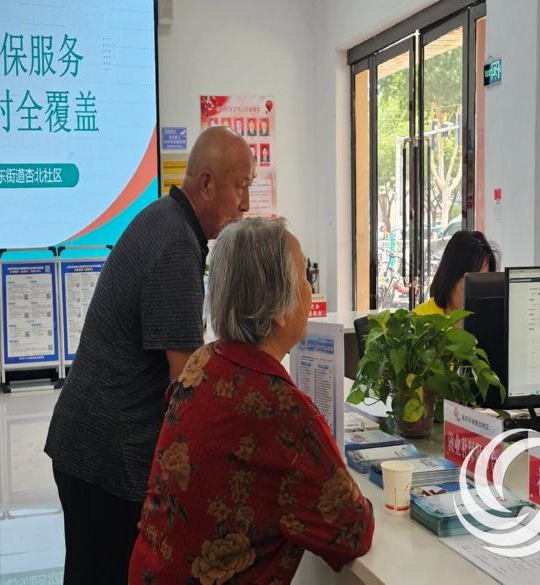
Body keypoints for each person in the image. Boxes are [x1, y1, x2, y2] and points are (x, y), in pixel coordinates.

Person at [44, 126, 254, 585]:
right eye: (241, 186)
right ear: (206, 183)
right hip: (104, 456)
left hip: (91, 445)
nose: (246, 203)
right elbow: (184, 382)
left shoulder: (165, 218)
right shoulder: (176, 243)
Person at [129, 218, 374, 584]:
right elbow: (353, 529)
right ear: (278, 310)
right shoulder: (278, 405)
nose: (311, 290)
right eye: (305, 277)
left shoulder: (205, 361)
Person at [415, 230, 498, 316]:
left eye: (484, 282)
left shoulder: (493, 318)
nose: (478, 291)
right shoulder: (419, 318)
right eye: (471, 282)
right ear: (451, 276)